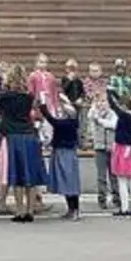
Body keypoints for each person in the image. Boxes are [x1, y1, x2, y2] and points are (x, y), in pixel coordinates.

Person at [0, 65, 46, 223]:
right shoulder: (29, 96)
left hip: (13, 137)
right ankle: (30, 210)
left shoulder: (5, 96)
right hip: (29, 135)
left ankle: (20, 210)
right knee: (29, 175)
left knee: (17, 176)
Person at [100, 94, 131, 217]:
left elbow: (113, 105)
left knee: (122, 180)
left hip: (121, 148)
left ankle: (124, 208)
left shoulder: (124, 115)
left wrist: (109, 92)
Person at [40, 91, 81, 220]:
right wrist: (65, 100)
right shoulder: (74, 122)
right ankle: (73, 209)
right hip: (70, 153)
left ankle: (73, 210)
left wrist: (43, 102)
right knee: (71, 182)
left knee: (68, 182)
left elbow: (48, 116)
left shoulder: (62, 123)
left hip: (63, 153)